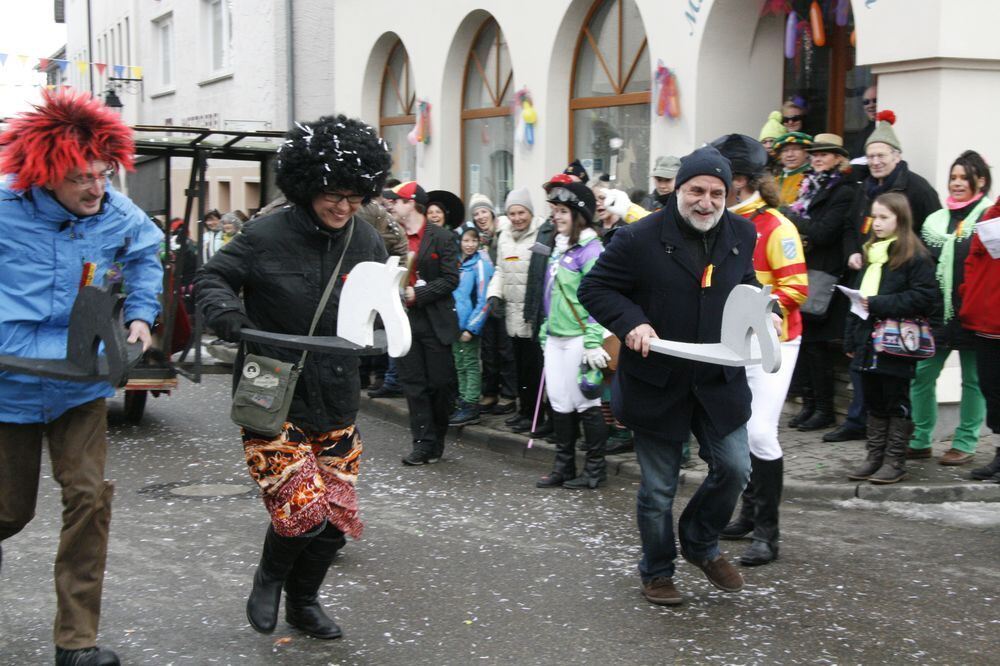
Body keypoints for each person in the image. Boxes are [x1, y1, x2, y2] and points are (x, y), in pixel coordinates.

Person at [196, 114, 393, 640]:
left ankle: (304, 603)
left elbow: (378, 307)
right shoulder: (263, 235)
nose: (343, 206)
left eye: (355, 195)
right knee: (300, 509)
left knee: (334, 521)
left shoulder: (368, 242)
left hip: (337, 398)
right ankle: (270, 578)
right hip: (271, 396)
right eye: (333, 193)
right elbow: (212, 277)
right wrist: (228, 317)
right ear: (307, 185)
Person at [0, 89, 163, 666]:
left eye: (102, 174)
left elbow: (147, 254)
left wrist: (142, 314)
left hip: (80, 383)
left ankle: (76, 643)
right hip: (7, 388)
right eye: (79, 179)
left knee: (90, 499)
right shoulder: (3, 209)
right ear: (43, 174)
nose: (96, 189)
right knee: (7, 511)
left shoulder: (116, 211)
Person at [579, 146, 773, 605]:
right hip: (659, 380)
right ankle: (657, 571)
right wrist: (632, 323)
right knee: (659, 488)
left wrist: (767, 313)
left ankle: (701, 541)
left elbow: (746, 284)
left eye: (716, 193)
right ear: (679, 190)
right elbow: (596, 287)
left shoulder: (742, 233)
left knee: (736, 467)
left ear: (729, 194)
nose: (705, 201)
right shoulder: (637, 237)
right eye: (696, 191)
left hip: (717, 379)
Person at [713, 134, 808, 567]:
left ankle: (769, 533)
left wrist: (758, 309)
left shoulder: (776, 226)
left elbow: (796, 288)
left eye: (722, 177)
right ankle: (748, 515)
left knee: (760, 433)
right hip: (732, 342)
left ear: (743, 180)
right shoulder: (715, 221)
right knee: (737, 427)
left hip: (775, 341)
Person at [845, 193, 939, 484]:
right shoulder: (872, 254)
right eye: (875, 216)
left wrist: (878, 304)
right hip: (867, 339)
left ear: (900, 219)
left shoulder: (915, 256)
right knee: (873, 397)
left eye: (885, 217)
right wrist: (850, 338)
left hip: (897, 342)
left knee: (895, 397)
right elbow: (858, 300)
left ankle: (894, 460)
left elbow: (924, 297)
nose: (877, 223)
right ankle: (875, 456)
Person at [908, 151, 993, 465]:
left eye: (963, 178)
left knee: (973, 380)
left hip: (975, 314)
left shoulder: (989, 217)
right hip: (936, 315)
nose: (957, 183)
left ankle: (966, 442)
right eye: (953, 177)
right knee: (922, 374)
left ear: (980, 181)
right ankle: (919, 437)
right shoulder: (935, 220)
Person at [534, 180, 610, 490]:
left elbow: (600, 298)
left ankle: (595, 471)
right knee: (560, 402)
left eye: (563, 211)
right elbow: (552, 294)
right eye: (555, 211)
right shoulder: (560, 246)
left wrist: (593, 340)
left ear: (578, 215)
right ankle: (563, 467)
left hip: (580, 339)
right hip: (555, 338)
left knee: (585, 403)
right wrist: (545, 331)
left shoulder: (592, 249)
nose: (557, 217)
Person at [786, 134, 860, 435]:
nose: (817, 158)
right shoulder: (809, 185)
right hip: (806, 269)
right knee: (805, 344)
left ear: (838, 158)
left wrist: (791, 218)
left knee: (817, 346)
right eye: (814, 154)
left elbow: (823, 232)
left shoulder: (842, 190)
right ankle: (809, 404)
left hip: (825, 274)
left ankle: (824, 409)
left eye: (825, 154)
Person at [385, 181, 461, 466]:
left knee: (441, 384)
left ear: (412, 204)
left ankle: (436, 437)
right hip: (403, 320)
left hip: (435, 320)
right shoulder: (392, 237)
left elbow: (451, 279)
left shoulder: (441, 237)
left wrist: (419, 293)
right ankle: (422, 444)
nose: (392, 205)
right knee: (413, 384)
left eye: (398, 201)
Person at [486, 188, 550, 434]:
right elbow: (501, 270)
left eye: (521, 212)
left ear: (530, 212)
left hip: (533, 313)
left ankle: (536, 415)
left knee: (533, 368)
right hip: (511, 310)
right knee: (518, 367)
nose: (517, 218)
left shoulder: (542, 234)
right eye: (512, 213)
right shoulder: (504, 236)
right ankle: (523, 412)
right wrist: (494, 294)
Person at [960, 201, 1000, 482]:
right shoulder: (990, 216)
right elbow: (973, 259)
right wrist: (970, 292)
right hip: (987, 321)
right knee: (993, 391)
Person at [468, 193, 518, 416]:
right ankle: (490, 393)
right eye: (476, 213)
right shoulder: (478, 240)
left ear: (492, 212)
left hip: (506, 302)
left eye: (483, 211)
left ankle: (508, 396)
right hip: (486, 304)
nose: (480, 216)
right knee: (488, 351)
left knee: (506, 352)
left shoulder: (505, 234)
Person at [448, 223, 494, 426]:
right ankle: (463, 399)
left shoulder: (480, 264)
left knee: (470, 363)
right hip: (453, 323)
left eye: (474, 240)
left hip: (468, 325)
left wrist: (471, 327)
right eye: (466, 240)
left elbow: (484, 300)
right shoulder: (457, 263)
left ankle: (471, 403)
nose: (469, 244)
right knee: (459, 363)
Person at [774, 132, 813, 205]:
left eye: (795, 149)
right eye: (785, 150)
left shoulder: (812, 178)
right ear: (780, 155)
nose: (790, 155)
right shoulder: (775, 180)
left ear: (806, 152)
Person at [845, 83, 878, 159]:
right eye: (866, 102)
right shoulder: (862, 133)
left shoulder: (888, 128)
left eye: (875, 100)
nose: (871, 105)